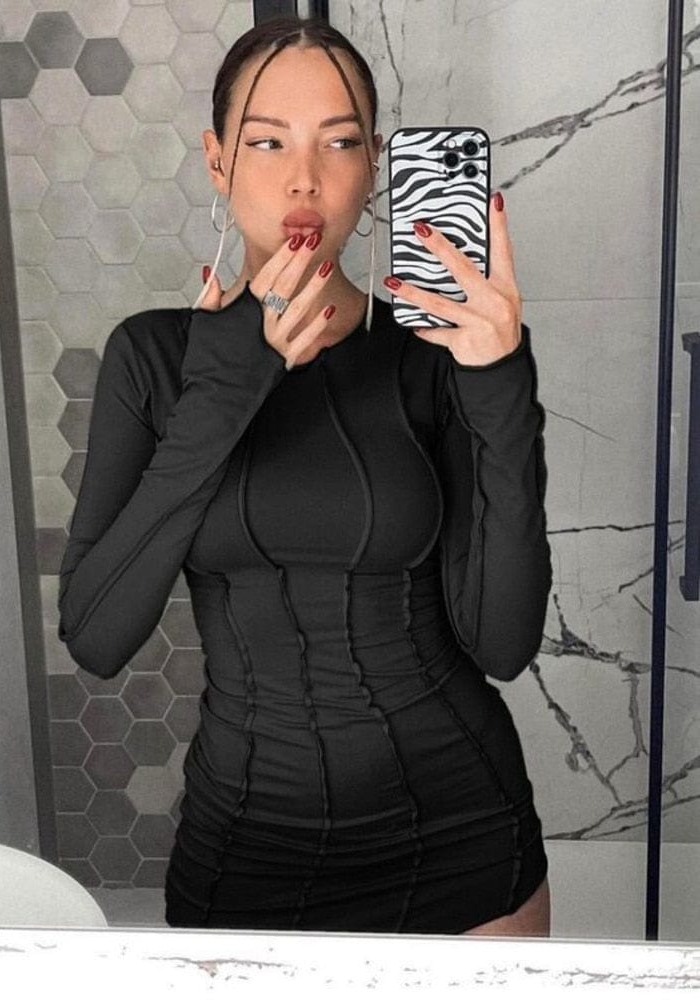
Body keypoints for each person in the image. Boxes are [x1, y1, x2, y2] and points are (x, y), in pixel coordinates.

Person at [58, 15, 553, 936]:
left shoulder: (436, 357)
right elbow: (95, 635)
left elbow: (505, 643)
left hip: (462, 839)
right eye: (267, 142)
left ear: (375, 168)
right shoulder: (154, 358)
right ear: (217, 162)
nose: (304, 178)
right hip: (244, 852)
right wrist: (228, 382)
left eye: (340, 142)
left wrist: (499, 380)